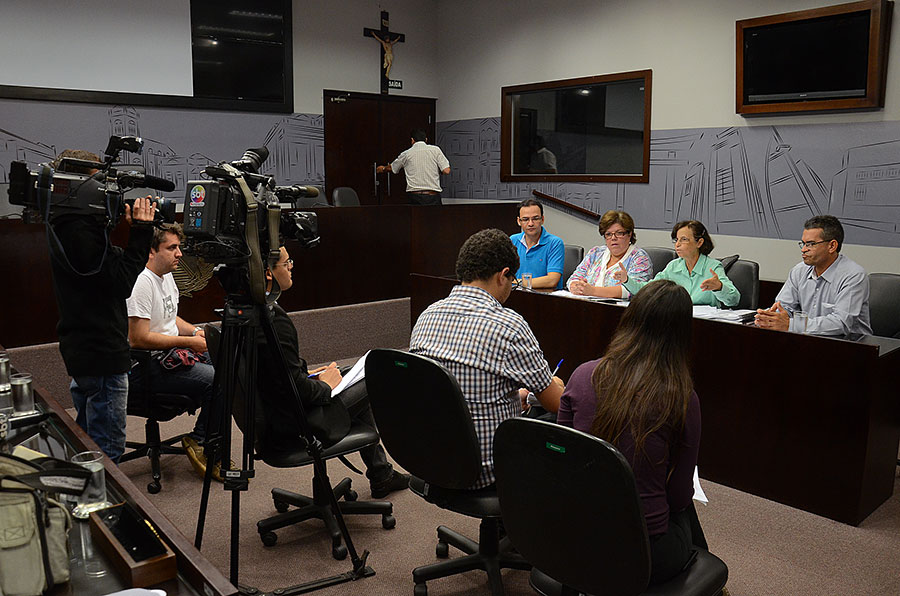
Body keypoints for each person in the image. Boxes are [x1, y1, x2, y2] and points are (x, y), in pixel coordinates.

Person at [557, 279, 709, 585]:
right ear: (681, 334)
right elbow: (678, 497)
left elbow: (562, 457)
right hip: (641, 554)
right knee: (684, 506)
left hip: (571, 538)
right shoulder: (680, 397)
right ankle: (706, 581)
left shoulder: (582, 373)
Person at [409, 228, 565, 489]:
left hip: (432, 457)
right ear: (503, 275)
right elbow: (556, 404)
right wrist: (555, 384)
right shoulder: (509, 325)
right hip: (487, 468)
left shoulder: (427, 315)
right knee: (562, 420)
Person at [255, 245, 409, 499]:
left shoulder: (254, 312)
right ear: (269, 273)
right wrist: (324, 385)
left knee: (350, 373)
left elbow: (276, 375)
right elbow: (298, 390)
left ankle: (381, 472)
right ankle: (381, 473)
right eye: (286, 262)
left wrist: (308, 374)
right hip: (298, 424)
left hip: (276, 415)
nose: (292, 266)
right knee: (372, 374)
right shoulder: (275, 321)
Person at [47, 149, 156, 462]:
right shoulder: (81, 233)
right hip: (102, 354)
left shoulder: (66, 225)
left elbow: (101, 276)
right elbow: (121, 283)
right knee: (105, 452)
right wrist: (140, 230)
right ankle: (104, 509)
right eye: (99, 184)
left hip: (83, 348)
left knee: (85, 443)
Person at [126, 223, 220, 480]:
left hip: (168, 357)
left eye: (178, 247)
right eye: (172, 248)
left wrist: (193, 332)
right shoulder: (140, 283)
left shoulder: (167, 276)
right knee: (217, 381)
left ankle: (207, 437)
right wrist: (187, 343)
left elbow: (170, 318)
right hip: (143, 367)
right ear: (151, 252)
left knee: (228, 364)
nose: (180, 254)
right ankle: (201, 441)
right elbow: (138, 339)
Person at [755, 215, 871, 336]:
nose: (804, 249)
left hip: (851, 346)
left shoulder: (854, 275)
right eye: (803, 243)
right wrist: (770, 318)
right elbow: (784, 307)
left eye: (810, 244)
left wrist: (791, 325)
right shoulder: (799, 271)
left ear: (832, 246)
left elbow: (840, 323)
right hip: (809, 341)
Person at [616, 220, 740, 308]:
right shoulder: (673, 266)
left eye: (684, 240)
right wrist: (626, 280)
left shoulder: (712, 267)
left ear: (699, 242)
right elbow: (648, 290)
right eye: (676, 240)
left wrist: (719, 287)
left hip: (705, 325)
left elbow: (734, 300)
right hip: (677, 323)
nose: (677, 244)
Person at [567, 210, 653, 298]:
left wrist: (592, 291)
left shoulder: (640, 258)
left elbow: (633, 290)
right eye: (608, 234)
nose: (613, 238)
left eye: (619, 233)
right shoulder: (595, 253)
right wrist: (575, 286)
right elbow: (573, 279)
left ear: (629, 234)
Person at [376, 128, 450, 206]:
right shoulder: (436, 150)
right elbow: (446, 170)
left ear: (412, 140)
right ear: (426, 139)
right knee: (435, 218)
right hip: (433, 197)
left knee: (416, 218)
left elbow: (393, 167)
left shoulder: (406, 154)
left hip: (415, 197)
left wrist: (383, 168)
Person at [510, 198, 565, 290]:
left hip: (545, 298)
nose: (531, 223)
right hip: (517, 295)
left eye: (535, 218)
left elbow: (552, 280)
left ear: (542, 219)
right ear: (519, 221)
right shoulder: (513, 240)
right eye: (526, 219)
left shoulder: (555, 243)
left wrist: (518, 282)